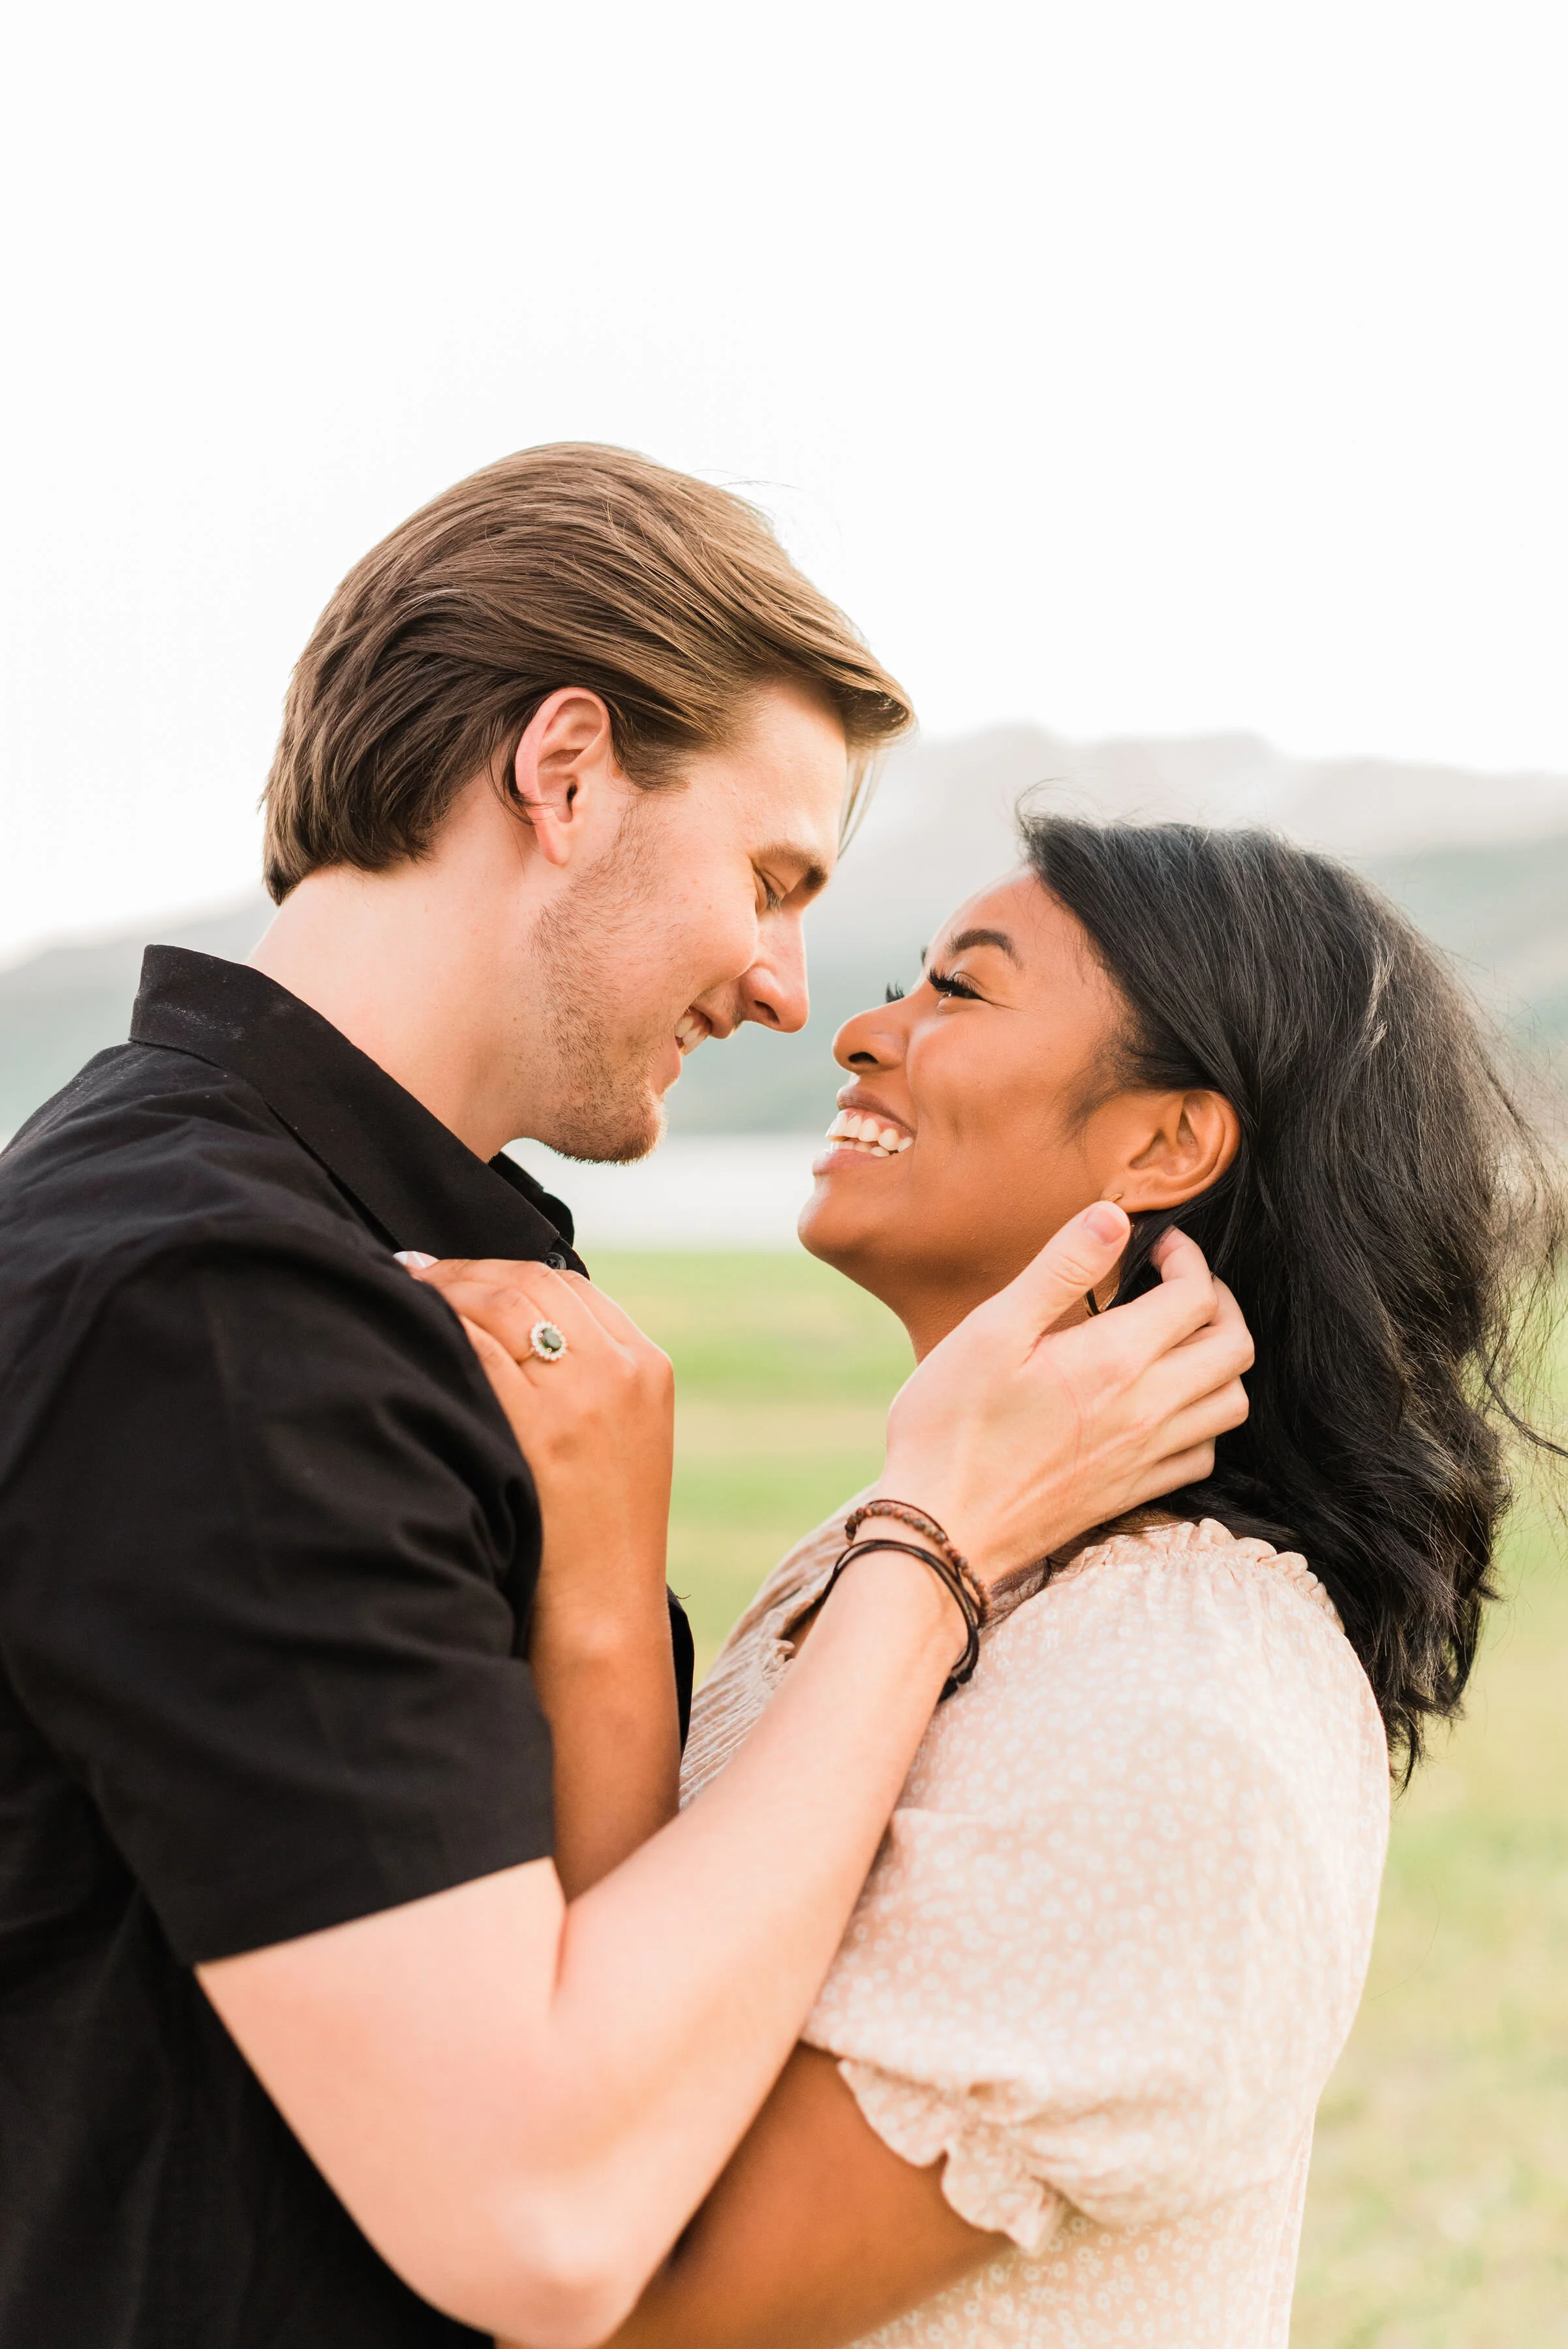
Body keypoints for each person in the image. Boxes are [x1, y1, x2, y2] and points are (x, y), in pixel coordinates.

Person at [0, 448, 1253, 2348]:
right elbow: (548, 2224)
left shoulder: (320, 1258)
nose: (782, 985)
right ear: (565, 772)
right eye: (770, 879)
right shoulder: (217, 1309)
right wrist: (937, 1546)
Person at [438, 815, 1563, 2348]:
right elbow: (628, 2025)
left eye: (957, 993)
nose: (853, 1031)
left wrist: (600, 1597)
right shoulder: (938, 1547)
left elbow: (633, 2295)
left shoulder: (1176, 1705)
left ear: (1165, 1143)